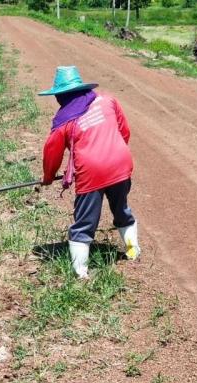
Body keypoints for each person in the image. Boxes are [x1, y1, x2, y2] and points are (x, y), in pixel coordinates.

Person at [40, 65, 140, 280]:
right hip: (121, 163)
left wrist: (48, 177)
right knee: (121, 208)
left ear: (61, 95)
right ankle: (133, 250)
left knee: (85, 221)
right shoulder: (107, 100)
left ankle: (80, 272)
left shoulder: (64, 120)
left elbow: (52, 154)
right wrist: (112, 153)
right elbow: (124, 132)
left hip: (91, 172)